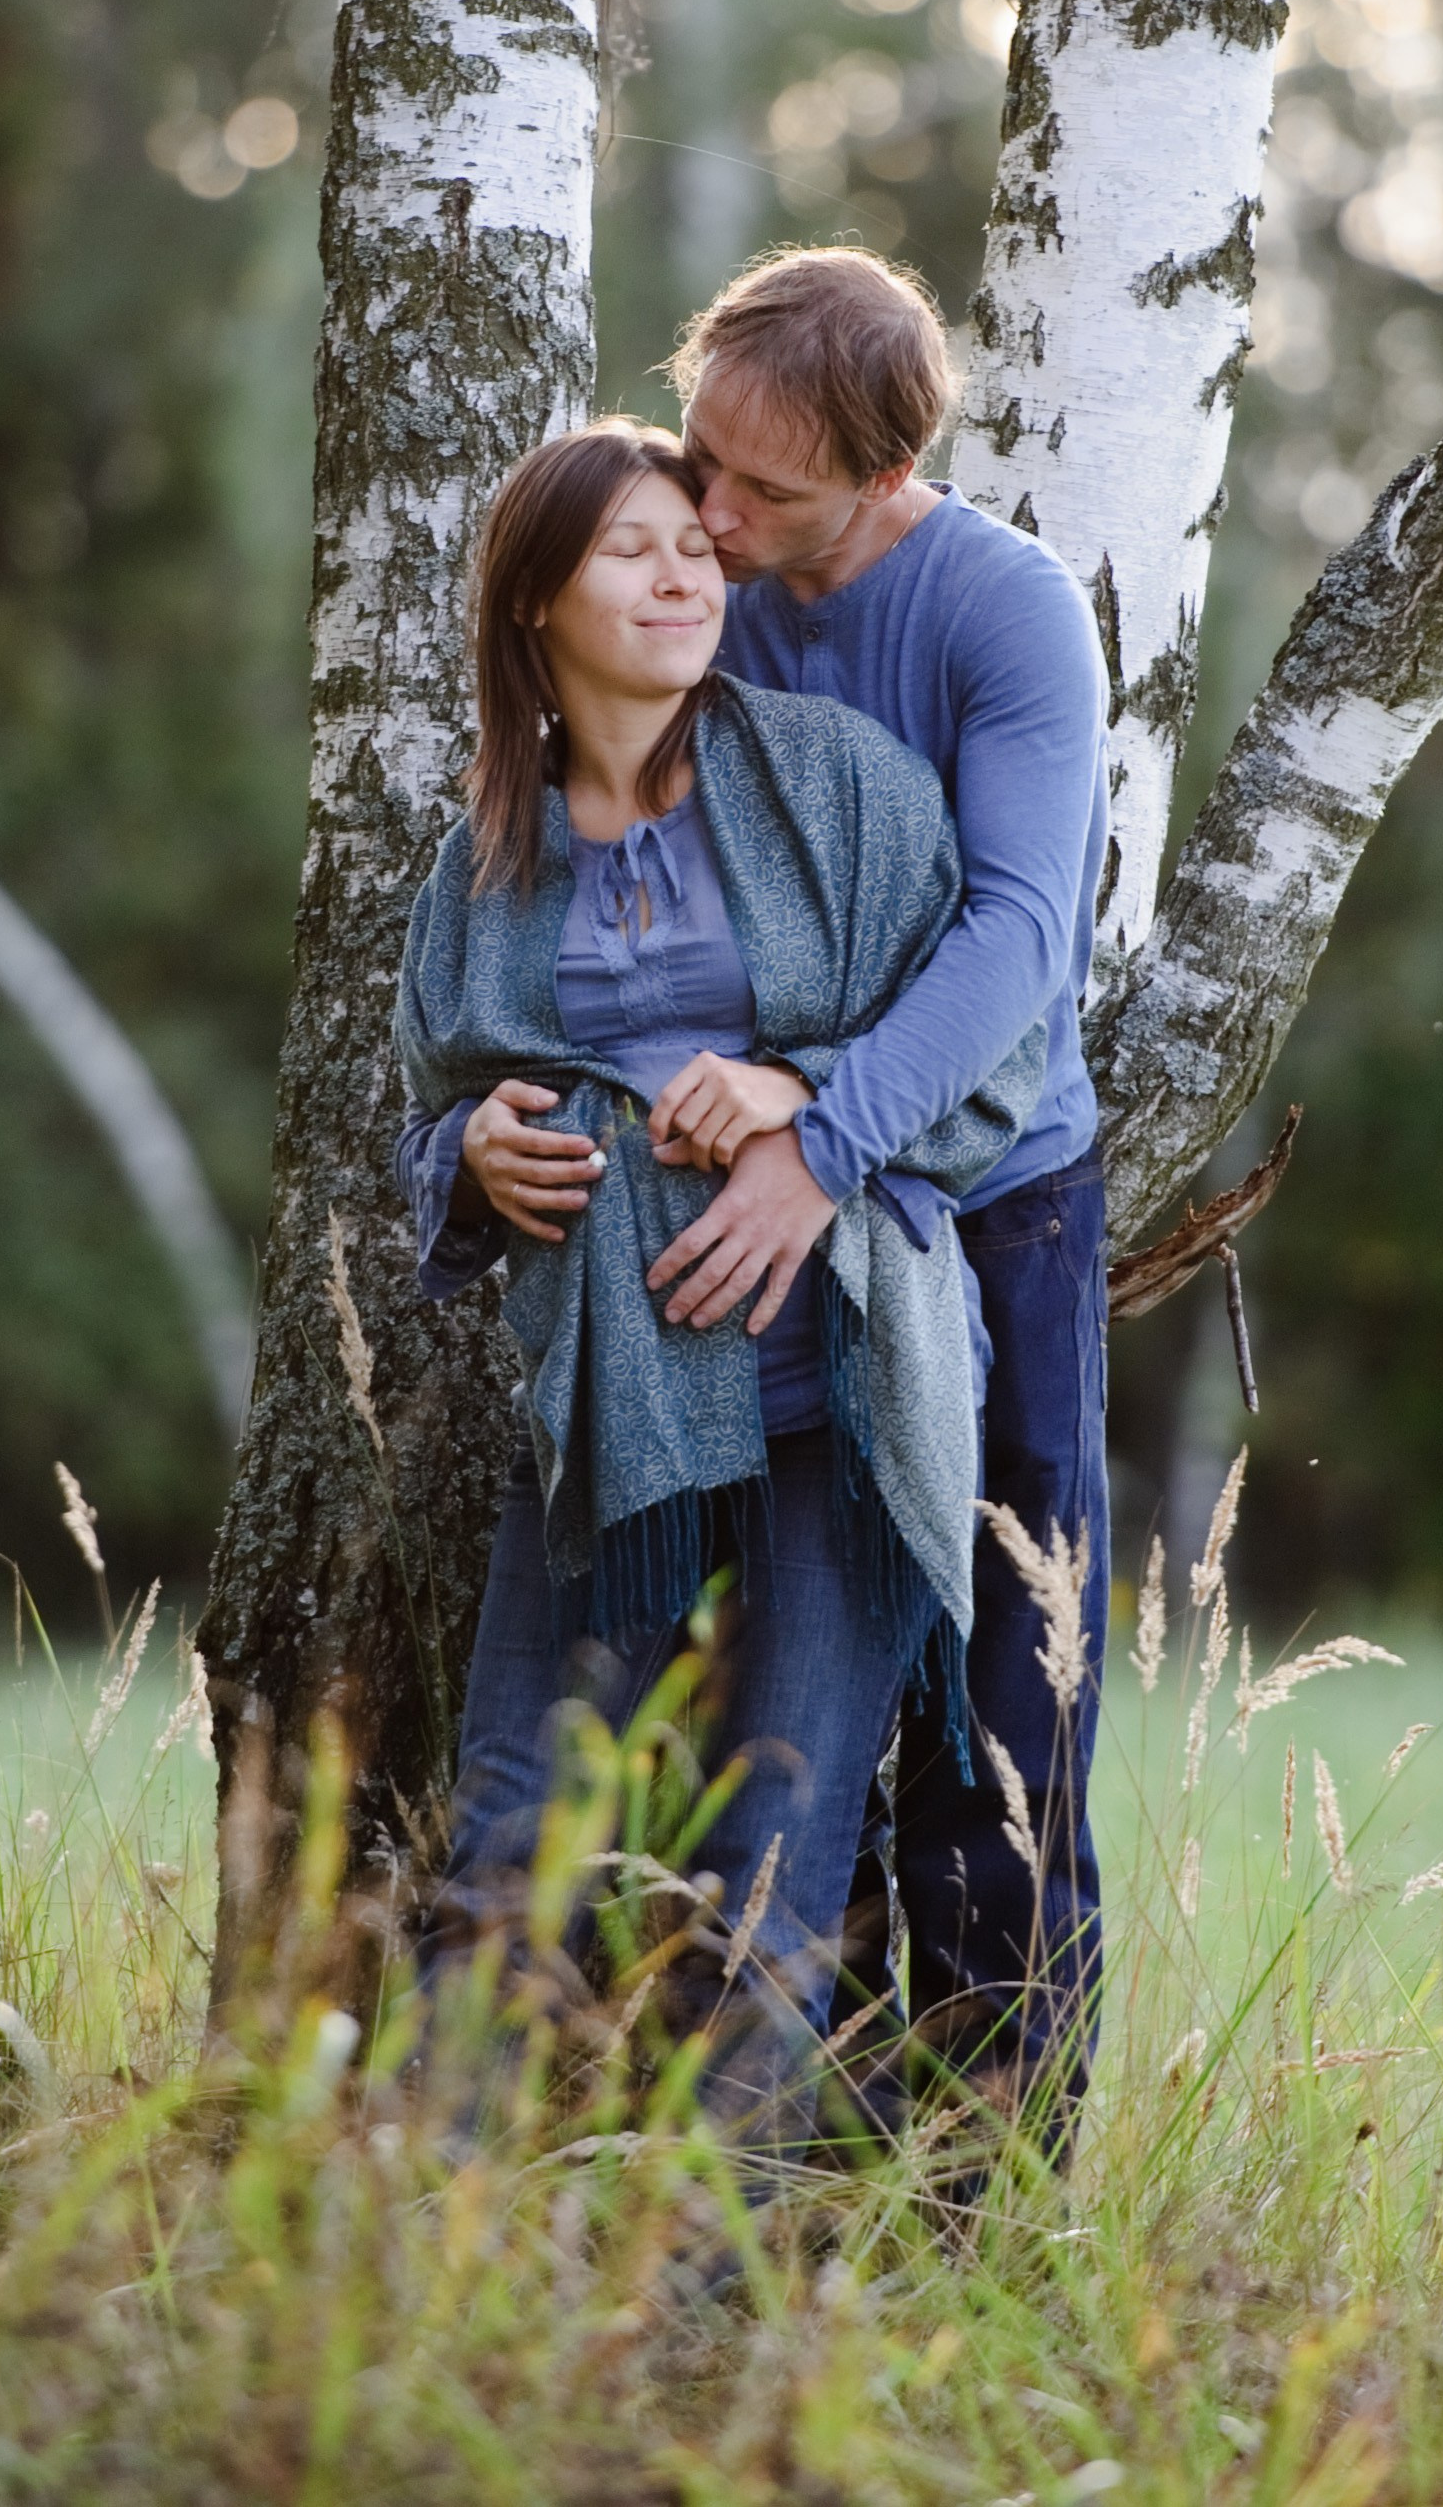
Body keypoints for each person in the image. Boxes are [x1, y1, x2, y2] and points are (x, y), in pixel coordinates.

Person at [393, 417, 1040, 2142]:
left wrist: (807, 1091)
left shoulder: (833, 780)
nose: (688, 569)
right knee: (514, 1838)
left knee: (774, 1858)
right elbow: (423, 1108)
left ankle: (705, 2293)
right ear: (537, 596)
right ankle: (421, 2244)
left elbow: (1000, 1062)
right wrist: (464, 1157)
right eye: (635, 547)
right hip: (610, 1422)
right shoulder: (477, 862)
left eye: (698, 540)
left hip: (840, 1397)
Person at [643, 248, 1112, 2138]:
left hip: (995, 1202)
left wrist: (821, 1140)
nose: (714, 514)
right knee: (785, 1677)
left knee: (1007, 1687)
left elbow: (1021, 934)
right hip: (754, 1184)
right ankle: (788, 2169)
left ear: (884, 472)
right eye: (699, 460)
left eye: (764, 489)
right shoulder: (700, 579)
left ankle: (992, 2191)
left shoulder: (1002, 611)